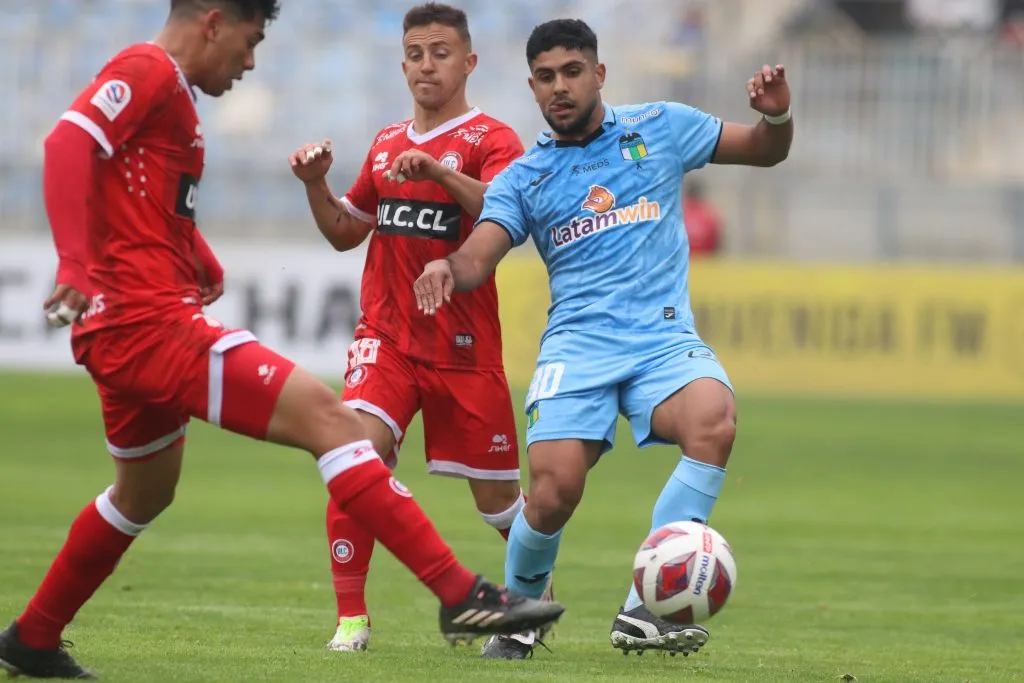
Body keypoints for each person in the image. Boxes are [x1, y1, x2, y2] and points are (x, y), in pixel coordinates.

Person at [0, 2, 563, 679]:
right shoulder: (147, 69)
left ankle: (33, 636)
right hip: (147, 323)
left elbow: (146, 200)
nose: (250, 62)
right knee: (337, 425)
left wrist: (196, 255)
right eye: (250, 40)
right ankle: (458, 596)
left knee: (142, 493)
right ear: (213, 23)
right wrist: (73, 264)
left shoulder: (176, 100)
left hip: (133, 326)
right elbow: (67, 142)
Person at [413, 18, 792, 660]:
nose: (559, 87)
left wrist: (776, 116)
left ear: (599, 74)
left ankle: (648, 605)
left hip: (661, 341)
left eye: (571, 72)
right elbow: (480, 254)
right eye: (545, 77)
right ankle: (520, 617)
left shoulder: (660, 126)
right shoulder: (526, 177)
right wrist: (450, 267)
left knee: (714, 419)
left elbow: (764, 148)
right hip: (577, 347)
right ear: (532, 87)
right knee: (552, 492)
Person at [287, 2, 546, 654]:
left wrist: (437, 171)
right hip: (387, 338)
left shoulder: (492, 139)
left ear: (469, 61)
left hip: (464, 348)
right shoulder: (385, 143)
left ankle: (531, 600)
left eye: (440, 53)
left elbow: (506, 212)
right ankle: (351, 619)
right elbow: (346, 231)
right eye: (414, 54)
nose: (426, 65)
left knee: (499, 504)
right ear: (402, 64)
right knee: (354, 452)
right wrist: (316, 185)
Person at [682, 179, 723, 257]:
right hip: (705, 261)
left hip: (686, 260)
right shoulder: (709, 215)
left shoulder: (679, 214)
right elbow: (717, 243)